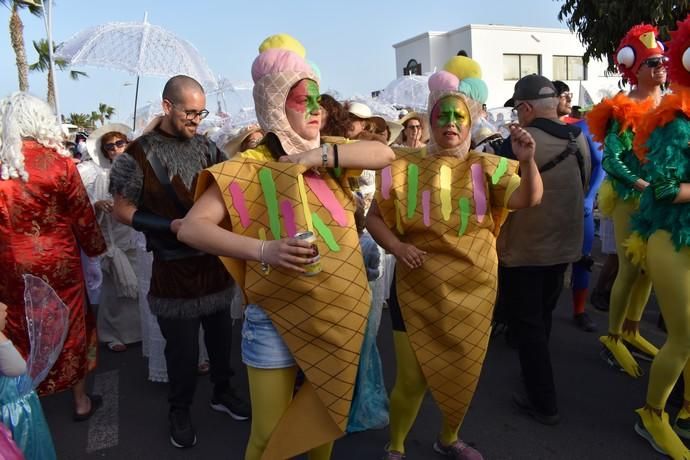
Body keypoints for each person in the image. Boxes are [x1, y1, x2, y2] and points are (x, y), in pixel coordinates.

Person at [176, 34, 394, 460]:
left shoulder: (331, 156)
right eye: (302, 101)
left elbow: (385, 153)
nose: (316, 111)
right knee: (267, 437)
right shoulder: (246, 168)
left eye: (317, 100)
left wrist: (317, 159)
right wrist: (264, 251)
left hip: (338, 314)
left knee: (325, 421)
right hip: (274, 319)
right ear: (276, 103)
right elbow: (191, 228)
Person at [367, 56, 542, 460]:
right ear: (429, 122)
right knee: (411, 379)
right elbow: (372, 218)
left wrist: (529, 161)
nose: (450, 123)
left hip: (473, 289)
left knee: (462, 372)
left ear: (470, 121)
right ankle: (395, 446)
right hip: (416, 286)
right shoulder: (404, 167)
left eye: (458, 116)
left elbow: (529, 198)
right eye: (441, 116)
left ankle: (448, 439)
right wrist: (398, 247)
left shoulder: (488, 166)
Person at [108, 75, 249, 449]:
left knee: (221, 342)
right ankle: (179, 409)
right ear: (168, 107)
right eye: (190, 112)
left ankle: (222, 392)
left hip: (214, 267)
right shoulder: (137, 154)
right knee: (182, 353)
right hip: (173, 270)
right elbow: (121, 209)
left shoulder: (208, 148)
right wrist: (168, 225)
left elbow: (230, 191)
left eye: (201, 112)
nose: (196, 120)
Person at [0, 92, 106, 420]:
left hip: (10, 263)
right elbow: (82, 215)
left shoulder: (4, 165)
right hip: (58, 260)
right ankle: (80, 401)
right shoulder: (59, 162)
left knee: (20, 326)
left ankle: (28, 401)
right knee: (70, 323)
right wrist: (96, 248)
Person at [497, 75, 591, 425]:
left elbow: (500, 191)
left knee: (528, 327)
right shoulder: (580, 137)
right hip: (565, 245)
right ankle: (537, 378)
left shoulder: (521, 141)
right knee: (544, 315)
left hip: (525, 250)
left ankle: (543, 401)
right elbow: (584, 184)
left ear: (525, 108)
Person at [624, 15, 690, 458]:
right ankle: (652, 413)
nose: (659, 68)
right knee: (685, 335)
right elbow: (665, 188)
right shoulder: (673, 119)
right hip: (672, 236)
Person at [586, 23, 667, 377]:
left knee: (651, 270)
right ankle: (614, 335)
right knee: (630, 267)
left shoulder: (673, 103)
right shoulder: (623, 109)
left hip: (662, 199)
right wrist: (641, 183)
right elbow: (612, 159)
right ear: (634, 68)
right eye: (652, 63)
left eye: (663, 61)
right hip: (630, 198)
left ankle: (633, 329)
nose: (661, 67)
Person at [554, 80, 606, 332]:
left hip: (579, 207)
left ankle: (579, 310)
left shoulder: (584, 127)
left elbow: (601, 165)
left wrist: (589, 197)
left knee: (582, 258)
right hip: (547, 207)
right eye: (563, 95)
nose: (568, 99)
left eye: (569, 95)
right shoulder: (534, 128)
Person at [86, 124, 142, 352]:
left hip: (136, 238)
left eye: (120, 143)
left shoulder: (140, 172)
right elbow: (88, 205)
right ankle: (113, 334)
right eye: (110, 146)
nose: (116, 149)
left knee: (140, 287)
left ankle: (141, 331)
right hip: (113, 240)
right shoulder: (100, 177)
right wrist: (98, 205)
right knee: (115, 291)